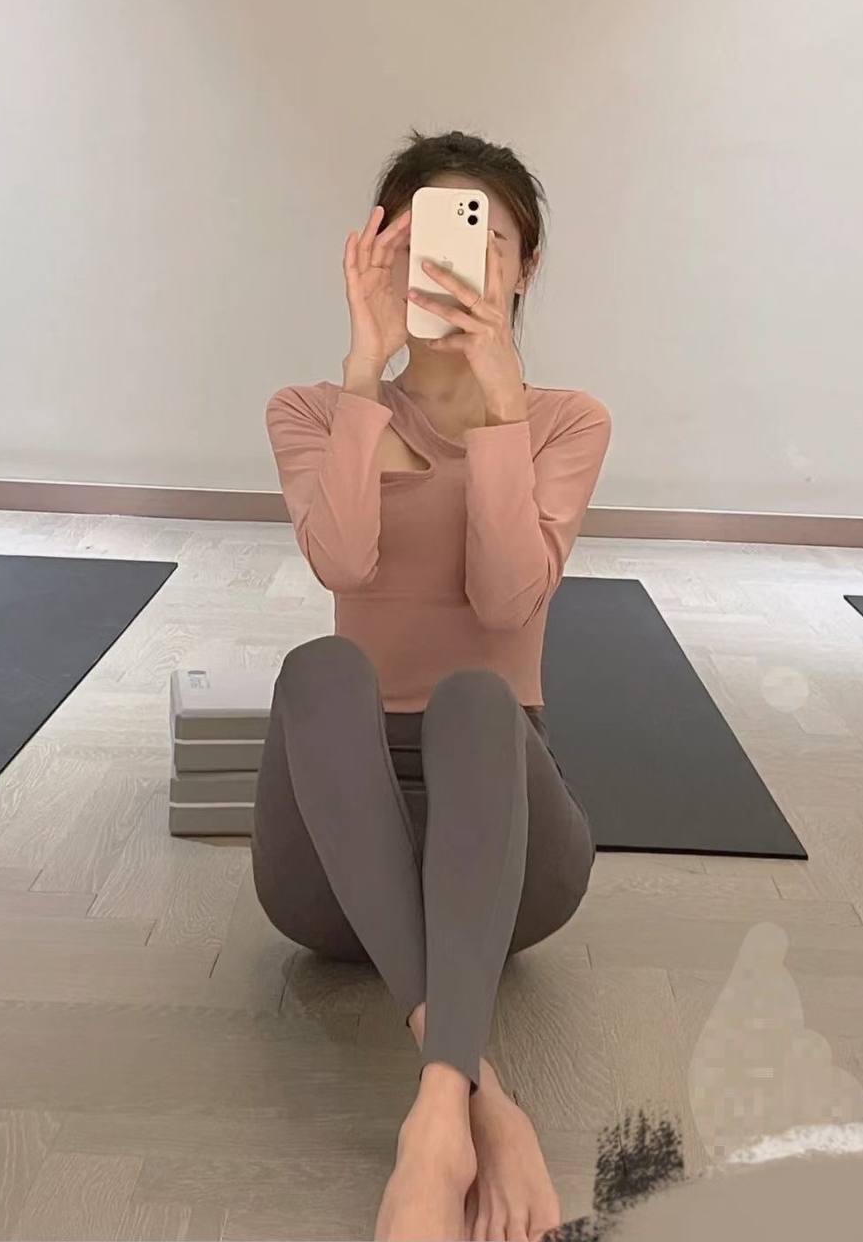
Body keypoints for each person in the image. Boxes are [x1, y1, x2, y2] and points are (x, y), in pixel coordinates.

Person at [253, 128, 612, 1242]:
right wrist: (365, 371)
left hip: (505, 847)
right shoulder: (312, 410)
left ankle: (431, 1125)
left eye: (484, 240)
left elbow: (506, 604)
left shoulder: (566, 421)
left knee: (475, 693)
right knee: (321, 668)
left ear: (525, 266)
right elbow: (342, 561)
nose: (451, 264)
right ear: (381, 256)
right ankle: (474, 1099)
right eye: (422, 242)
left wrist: (502, 411)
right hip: (333, 865)